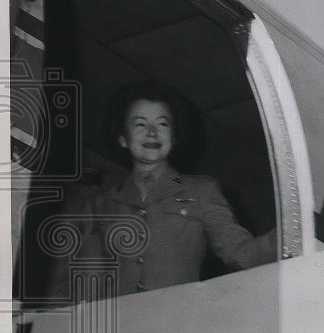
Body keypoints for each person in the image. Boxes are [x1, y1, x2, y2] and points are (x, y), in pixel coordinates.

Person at [51, 78, 275, 300]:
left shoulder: (201, 191)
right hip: (119, 329)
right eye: (140, 124)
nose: (152, 132)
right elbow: (84, 284)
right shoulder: (99, 204)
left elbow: (242, 254)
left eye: (162, 124)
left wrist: (294, 233)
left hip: (177, 325)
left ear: (174, 137)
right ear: (122, 138)